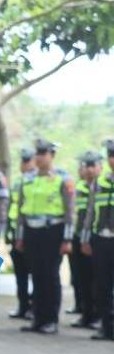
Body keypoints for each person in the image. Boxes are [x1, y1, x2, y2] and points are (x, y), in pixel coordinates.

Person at [15, 138, 75, 334]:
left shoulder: (63, 179)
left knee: (50, 276)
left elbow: (69, 211)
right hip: (32, 232)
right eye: (38, 153)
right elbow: (21, 211)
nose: (40, 157)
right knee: (37, 276)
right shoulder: (28, 178)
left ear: (52, 156)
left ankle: (51, 320)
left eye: (44, 153)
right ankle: (37, 319)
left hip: (53, 232)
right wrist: (20, 236)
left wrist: (67, 239)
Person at [81, 139, 114, 341]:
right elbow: (90, 214)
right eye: (110, 156)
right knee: (102, 285)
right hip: (101, 240)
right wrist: (85, 239)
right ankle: (106, 326)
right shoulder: (99, 184)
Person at [68, 151, 101, 327]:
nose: (88, 169)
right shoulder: (79, 188)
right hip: (78, 238)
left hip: (96, 239)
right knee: (82, 279)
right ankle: (86, 314)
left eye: (91, 165)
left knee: (98, 280)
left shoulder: (102, 186)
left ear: (99, 167)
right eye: (85, 165)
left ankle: (98, 316)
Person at [7, 147, 37, 319]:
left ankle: (34, 307)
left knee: (36, 274)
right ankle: (23, 306)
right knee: (21, 274)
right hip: (15, 233)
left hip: (30, 234)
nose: (24, 164)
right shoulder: (19, 182)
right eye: (22, 161)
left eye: (27, 161)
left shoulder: (36, 181)